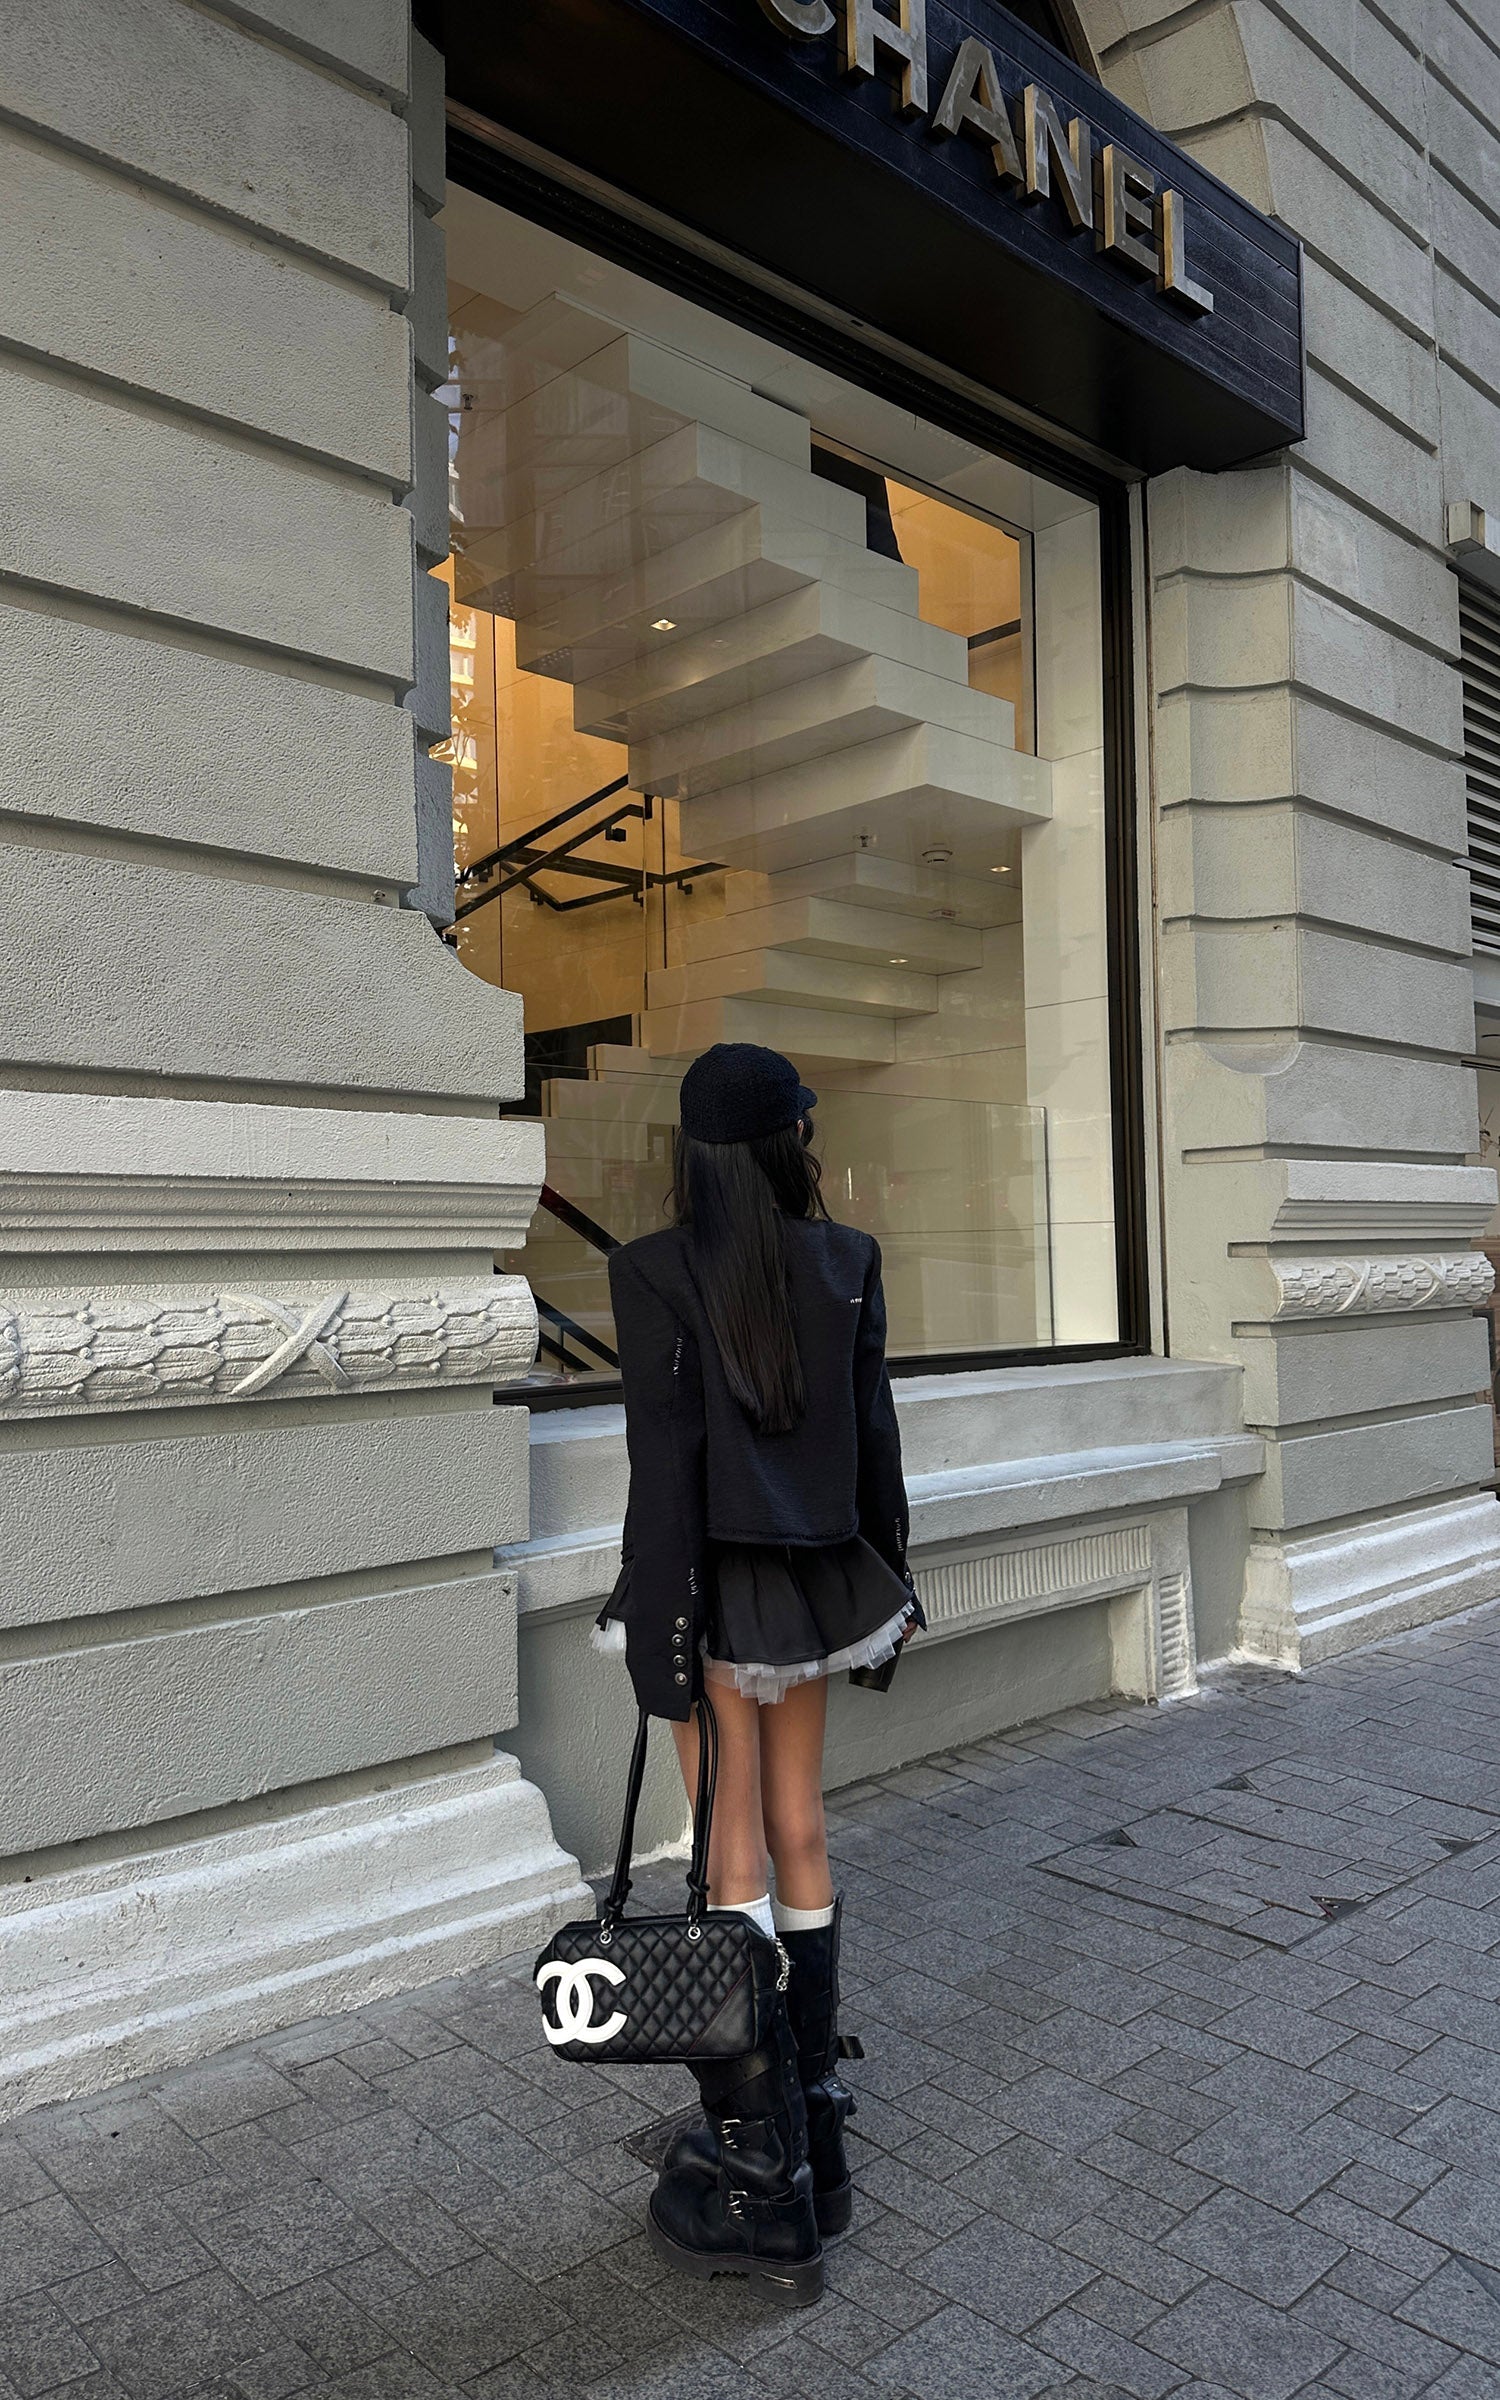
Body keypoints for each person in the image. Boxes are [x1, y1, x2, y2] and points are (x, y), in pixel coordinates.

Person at [594, 1041, 920, 2305]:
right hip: (816, 1580)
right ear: (791, 1143)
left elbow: (662, 1470)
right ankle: (817, 2129)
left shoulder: (651, 1270)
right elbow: (876, 1442)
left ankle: (758, 2172)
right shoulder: (848, 1260)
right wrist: (887, 1577)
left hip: (709, 1586)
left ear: (693, 1154)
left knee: (723, 1844)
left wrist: (657, 1634)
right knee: (799, 1827)